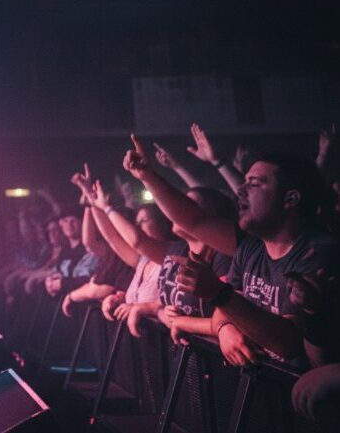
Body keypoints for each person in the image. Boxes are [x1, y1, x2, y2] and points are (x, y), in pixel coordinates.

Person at [122, 134, 338, 367]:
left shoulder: (318, 254)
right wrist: (148, 176)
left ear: (291, 198)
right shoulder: (251, 246)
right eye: (244, 182)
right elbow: (194, 221)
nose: (241, 190)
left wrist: (219, 293)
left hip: (302, 397)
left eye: (255, 184)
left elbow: (289, 344)